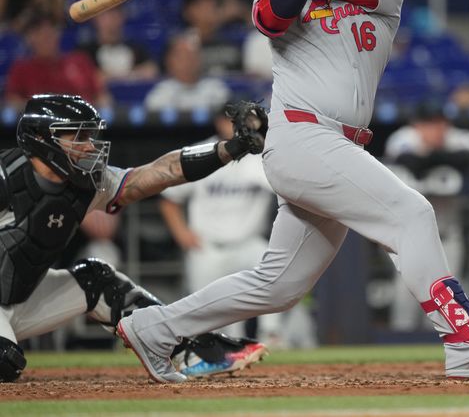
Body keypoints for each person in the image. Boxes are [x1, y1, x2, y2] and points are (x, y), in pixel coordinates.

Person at [118, 0, 469, 383]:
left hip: (338, 146)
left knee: (277, 286)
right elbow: (270, 19)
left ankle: (154, 328)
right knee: (412, 213)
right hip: (302, 136)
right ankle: (465, 343)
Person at [0, 93, 269, 382]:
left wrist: (229, 149)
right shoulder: (6, 176)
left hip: (20, 300)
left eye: (89, 135)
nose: (90, 146)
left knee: (97, 279)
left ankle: (190, 350)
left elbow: (161, 173)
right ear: (42, 138)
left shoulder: (88, 184)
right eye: (78, 136)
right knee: (6, 363)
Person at [159, 106, 315, 348]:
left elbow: (290, 190)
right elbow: (170, 199)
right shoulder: (201, 151)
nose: (241, 126)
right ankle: (218, 348)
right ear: (219, 122)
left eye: (247, 120)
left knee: (274, 270)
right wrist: (181, 233)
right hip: (207, 246)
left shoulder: (261, 155)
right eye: (234, 120)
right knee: (210, 317)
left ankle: (271, 336)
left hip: (248, 244)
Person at [383, 101, 469, 332]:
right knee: (406, 300)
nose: (436, 129)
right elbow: (411, 162)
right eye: (429, 123)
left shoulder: (461, 138)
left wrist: (433, 156)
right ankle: (400, 357)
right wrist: (442, 158)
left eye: (440, 123)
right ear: (416, 125)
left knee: (449, 299)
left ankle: (443, 355)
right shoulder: (404, 138)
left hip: (448, 235)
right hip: (409, 238)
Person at [4, 12, 110, 108]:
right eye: (41, 34)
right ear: (30, 38)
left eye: (51, 32)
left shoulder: (80, 61)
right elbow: (12, 101)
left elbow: (102, 96)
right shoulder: (22, 68)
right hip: (40, 125)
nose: (47, 38)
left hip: (82, 124)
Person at [144, 32, 230, 111]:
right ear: (169, 61)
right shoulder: (160, 94)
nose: (189, 61)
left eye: (193, 55)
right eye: (183, 56)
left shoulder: (216, 89)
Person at [77, 7, 159, 82]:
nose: (112, 20)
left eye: (116, 14)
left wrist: (111, 77)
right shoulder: (85, 53)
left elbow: (151, 70)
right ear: (95, 19)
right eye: (106, 15)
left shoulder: (137, 48)